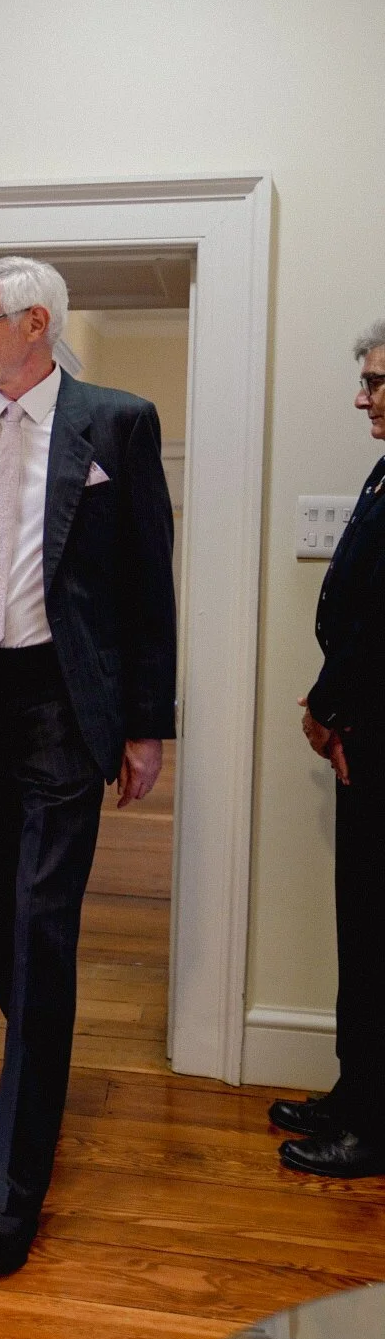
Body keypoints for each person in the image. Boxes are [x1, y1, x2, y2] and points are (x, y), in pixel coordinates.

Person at [0, 258, 177, 1274]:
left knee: (43, 925)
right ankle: (40, 1046)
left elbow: (149, 585)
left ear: (34, 323)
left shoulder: (118, 422)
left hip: (67, 701)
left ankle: (12, 1192)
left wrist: (147, 726)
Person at [270, 322, 385, 1178]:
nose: (362, 397)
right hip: (360, 726)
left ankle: (372, 1128)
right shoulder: (384, 466)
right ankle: (354, 1092)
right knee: (361, 919)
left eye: (377, 382)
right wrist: (328, 700)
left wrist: (334, 706)